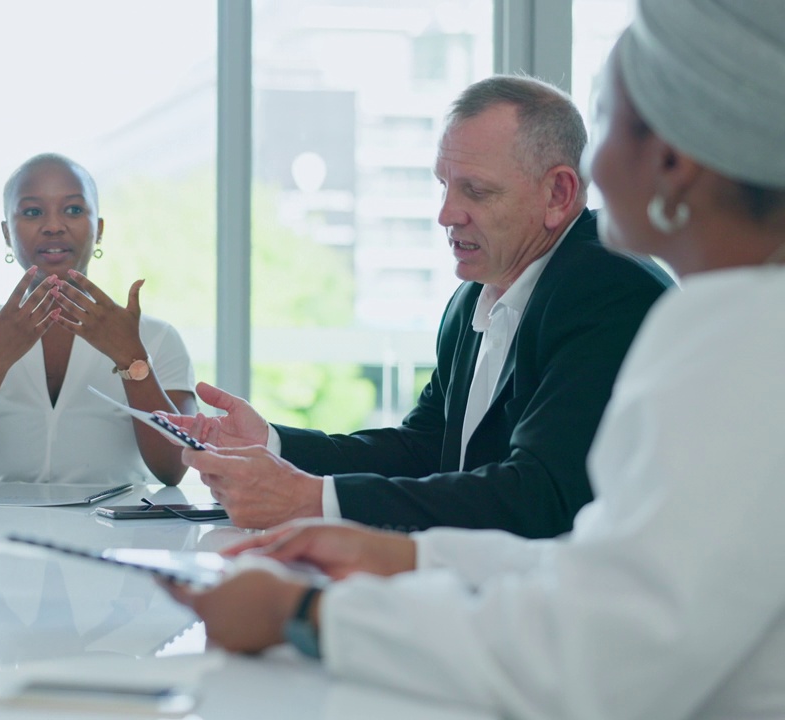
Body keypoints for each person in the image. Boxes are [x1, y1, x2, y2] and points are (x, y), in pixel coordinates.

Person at [167, 1, 785, 717]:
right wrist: (400, 554)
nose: (446, 214)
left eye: (606, 120)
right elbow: (605, 563)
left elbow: (594, 651)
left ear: (673, 161)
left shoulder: (727, 336)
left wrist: (308, 616)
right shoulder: (730, 319)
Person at [163, 76, 672, 535]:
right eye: (444, 185)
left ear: (558, 193)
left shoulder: (608, 288)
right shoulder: (473, 298)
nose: (446, 214)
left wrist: (310, 500)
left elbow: (539, 496)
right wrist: (272, 444)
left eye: (475, 190)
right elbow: (424, 450)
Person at [0, 154, 196, 485]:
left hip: (119, 532)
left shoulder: (157, 337)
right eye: (33, 212)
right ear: (7, 233)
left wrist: (132, 359)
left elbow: (174, 468)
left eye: (74, 210)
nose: (53, 226)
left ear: (100, 229)